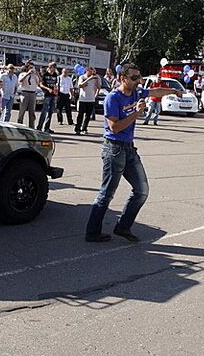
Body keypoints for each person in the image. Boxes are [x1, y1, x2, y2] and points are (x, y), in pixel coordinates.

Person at [84, 63, 181, 242]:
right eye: (134, 78)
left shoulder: (136, 93)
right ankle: (92, 232)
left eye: (139, 77)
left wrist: (173, 91)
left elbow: (154, 91)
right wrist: (137, 114)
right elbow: (114, 128)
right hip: (114, 149)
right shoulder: (113, 98)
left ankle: (123, 226)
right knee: (107, 193)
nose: (139, 81)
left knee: (142, 190)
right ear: (123, 78)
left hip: (129, 149)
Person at [74, 67, 101, 135]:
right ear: (87, 71)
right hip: (83, 99)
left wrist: (97, 79)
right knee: (80, 115)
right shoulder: (82, 77)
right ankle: (78, 129)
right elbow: (80, 85)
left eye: (93, 72)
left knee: (88, 116)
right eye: (90, 71)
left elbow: (99, 87)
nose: (92, 73)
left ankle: (84, 128)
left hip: (91, 99)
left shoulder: (95, 78)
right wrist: (89, 79)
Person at [36, 62, 59, 133]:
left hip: (53, 95)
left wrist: (55, 89)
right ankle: (39, 127)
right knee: (44, 112)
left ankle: (47, 128)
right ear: (49, 67)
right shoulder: (45, 74)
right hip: (46, 95)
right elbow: (40, 84)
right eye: (53, 67)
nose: (54, 69)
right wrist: (47, 88)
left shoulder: (55, 75)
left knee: (50, 112)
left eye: (55, 67)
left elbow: (55, 84)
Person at [17, 61, 40, 128]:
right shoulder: (23, 74)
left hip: (33, 93)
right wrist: (27, 74)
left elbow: (39, 81)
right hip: (25, 93)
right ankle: (20, 125)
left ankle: (31, 126)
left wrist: (37, 74)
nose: (31, 69)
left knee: (32, 112)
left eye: (32, 67)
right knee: (22, 110)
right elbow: (20, 81)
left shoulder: (35, 76)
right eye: (30, 67)